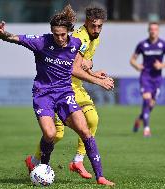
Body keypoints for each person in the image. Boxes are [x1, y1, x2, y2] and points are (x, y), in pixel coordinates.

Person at [0, 4, 115, 186]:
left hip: (65, 93)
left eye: (63, 34)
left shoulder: (75, 43)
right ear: (51, 32)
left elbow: (79, 66)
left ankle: (100, 177)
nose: (59, 38)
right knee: (50, 134)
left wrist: (94, 72)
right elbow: (14, 38)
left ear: (68, 32)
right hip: (43, 94)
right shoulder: (41, 42)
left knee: (85, 130)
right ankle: (43, 166)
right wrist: (3, 34)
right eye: (56, 34)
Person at [25, 6, 111, 180]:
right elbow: (73, 68)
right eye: (93, 26)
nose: (97, 29)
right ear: (86, 22)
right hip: (64, 87)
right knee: (56, 133)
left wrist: (93, 71)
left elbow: (82, 62)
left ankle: (77, 160)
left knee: (90, 120)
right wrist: (98, 80)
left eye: (99, 26)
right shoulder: (80, 38)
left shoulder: (94, 38)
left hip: (75, 87)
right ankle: (36, 161)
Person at [130, 22, 165, 137]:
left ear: (158, 31)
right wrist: (137, 66)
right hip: (145, 77)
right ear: (148, 30)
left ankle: (139, 119)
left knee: (151, 105)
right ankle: (146, 129)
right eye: (151, 29)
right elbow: (132, 59)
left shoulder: (163, 44)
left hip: (157, 78)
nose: (153, 31)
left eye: (155, 29)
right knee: (146, 100)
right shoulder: (142, 44)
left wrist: (162, 65)